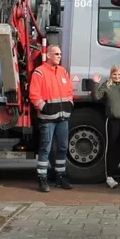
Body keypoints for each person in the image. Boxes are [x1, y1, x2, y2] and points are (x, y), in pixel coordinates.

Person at [28, 45, 74, 192]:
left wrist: (70, 104)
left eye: (60, 54)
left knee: (62, 148)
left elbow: (69, 91)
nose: (59, 56)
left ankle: (60, 177)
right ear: (48, 55)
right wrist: (44, 108)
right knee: (45, 149)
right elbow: (34, 94)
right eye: (56, 54)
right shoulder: (39, 72)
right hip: (47, 118)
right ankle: (42, 179)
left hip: (63, 118)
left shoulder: (62, 71)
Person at [92, 64, 120, 189]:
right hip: (112, 121)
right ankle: (109, 176)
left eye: (119, 74)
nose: (117, 76)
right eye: (114, 74)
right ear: (111, 75)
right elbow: (96, 97)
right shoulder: (107, 85)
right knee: (111, 148)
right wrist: (95, 83)